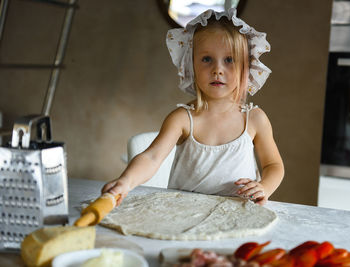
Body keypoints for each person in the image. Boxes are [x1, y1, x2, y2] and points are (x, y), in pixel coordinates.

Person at [102, 9, 284, 206]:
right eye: (207, 59)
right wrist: (126, 181)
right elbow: (152, 157)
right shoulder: (182, 119)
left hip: (237, 214)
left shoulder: (255, 119)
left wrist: (264, 187)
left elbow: (273, 165)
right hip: (184, 215)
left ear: (246, 67)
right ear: (190, 66)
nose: (217, 69)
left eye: (229, 60)